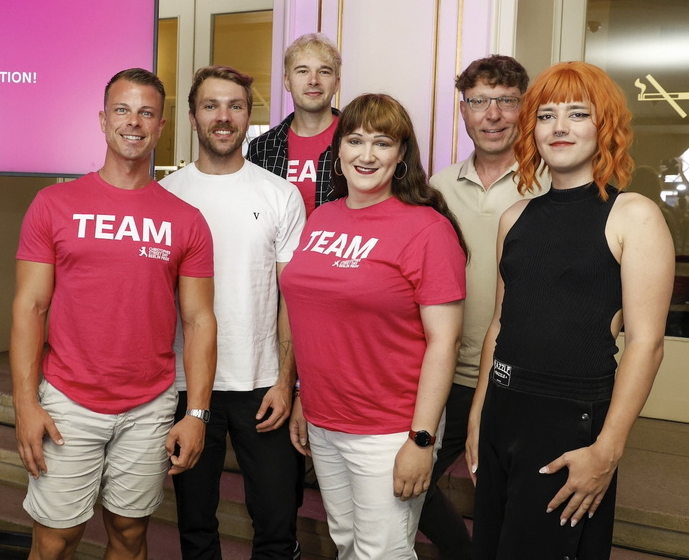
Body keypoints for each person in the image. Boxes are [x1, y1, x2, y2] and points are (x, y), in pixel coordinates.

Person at [465, 61, 674, 559]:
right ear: (531, 129)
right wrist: (478, 414)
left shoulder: (633, 215)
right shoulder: (515, 216)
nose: (559, 127)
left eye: (578, 114)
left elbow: (647, 344)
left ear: (603, 128)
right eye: (546, 115)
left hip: (572, 424)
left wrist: (607, 450)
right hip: (502, 411)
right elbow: (500, 323)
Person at [10, 68, 217, 560]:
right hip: (67, 400)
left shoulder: (186, 219)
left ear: (161, 127)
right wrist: (25, 404)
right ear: (103, 121)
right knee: (56, 539)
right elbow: (29, 306)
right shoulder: (54, 204)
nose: (133, 122)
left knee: (129, 532)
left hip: (148, 406)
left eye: (146, 112)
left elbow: (200, 321)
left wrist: (197, 414)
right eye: (122, 110)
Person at [283, 93, 468, 559]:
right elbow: (317, 321)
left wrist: (422, 440)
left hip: (389, 429)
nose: (366, 155)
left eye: (382, 143)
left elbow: (445, 342)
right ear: (338, 150)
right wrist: (304, 396)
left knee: (381, 553)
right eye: (355, 140)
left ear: (401, 154)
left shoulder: (428, 230)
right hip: (325, 421)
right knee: (347, 543)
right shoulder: (322, 216)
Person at [160, 66, 307, 559]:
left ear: (249, 117)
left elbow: (293, 299)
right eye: (211, 106)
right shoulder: (166, 197)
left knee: (276, 525)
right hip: (186, 386)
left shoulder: (280, 195)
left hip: (263, 386)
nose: (223, 117)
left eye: (235, 106)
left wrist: (286, 382)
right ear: (192, 115)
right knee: (195, 527)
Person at [424, 55, 546, 559]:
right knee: (410, 477)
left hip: (520, 375)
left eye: (505, 101)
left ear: (524, 109)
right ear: (463, 111)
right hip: (449, 370)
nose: (492, 114)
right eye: (479, 101)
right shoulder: (437, 187)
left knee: (517, 499)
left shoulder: (549, 184)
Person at [246, 33, 342, 216]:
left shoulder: (358, 142)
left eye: (324, 71)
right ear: (287, 81)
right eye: (302, 71)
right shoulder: (262, 148)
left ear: (336, 83)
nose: (313, 80)